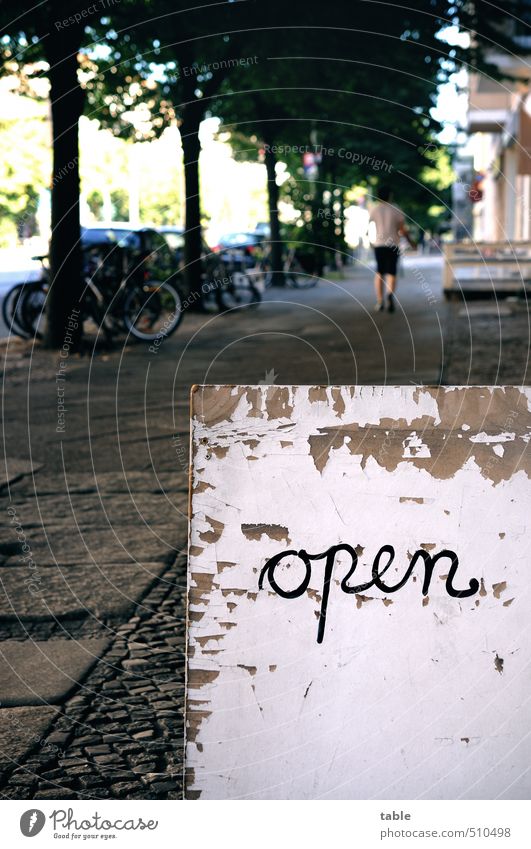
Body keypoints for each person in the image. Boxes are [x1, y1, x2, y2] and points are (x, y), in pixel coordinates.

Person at [369, 185, 416, 313]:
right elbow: (402, 229)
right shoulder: (395, 209)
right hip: (393, 245)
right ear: (390, 195)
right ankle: (390, 294)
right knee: (392, 272)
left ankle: (379, 301)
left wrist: (370, 240)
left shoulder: (374, 209)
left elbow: (369, 227)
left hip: (379, 244)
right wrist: (411, 242)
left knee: (380, 272)